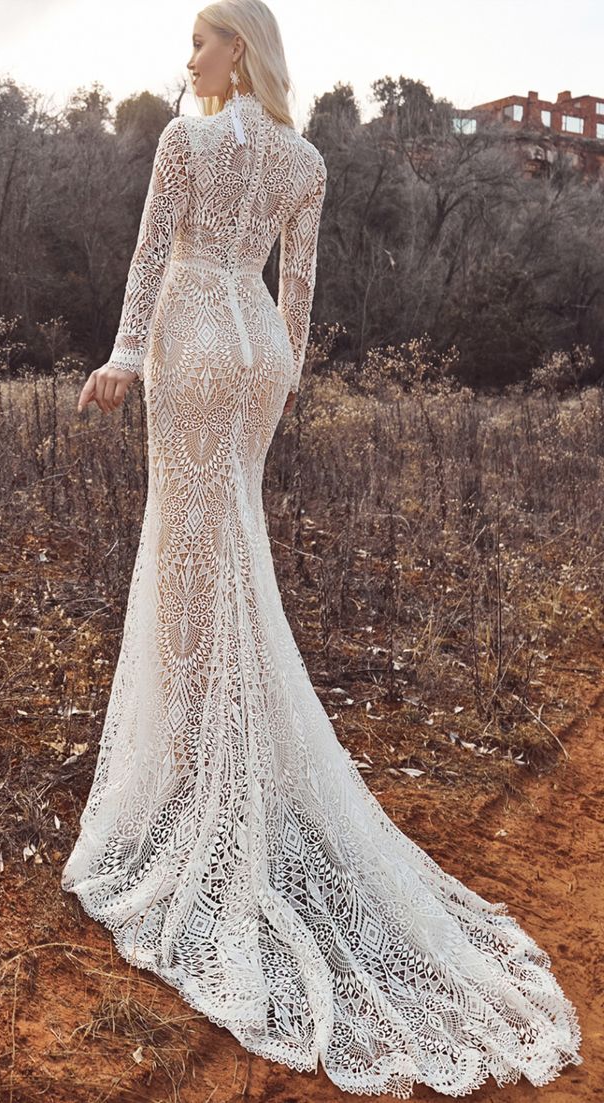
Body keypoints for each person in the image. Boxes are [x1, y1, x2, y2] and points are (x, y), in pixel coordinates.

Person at [62, 1, 583, 1094]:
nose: (189, 56)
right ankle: (214, 762)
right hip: (252, 349)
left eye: (202, 38)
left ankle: (195, 782)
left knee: (188, 559)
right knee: (225, 546)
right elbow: (296, 298)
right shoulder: (303, 159)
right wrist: (277, 378)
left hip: (194, 334)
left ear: (238, 46)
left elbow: (155, 253)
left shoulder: (185, 136)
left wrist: (122, 356)